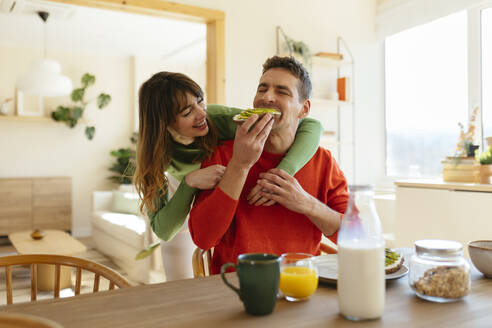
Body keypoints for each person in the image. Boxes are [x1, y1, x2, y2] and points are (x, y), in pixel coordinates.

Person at [133, 71, 323, 280]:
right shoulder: (154, 158)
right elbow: (163, 230)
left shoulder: (217, 119)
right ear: (164, 123)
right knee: (178, 279)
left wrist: (281, 173)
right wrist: (190, 182)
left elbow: (311, 125)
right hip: (182, 189)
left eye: (200, 101)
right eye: (187, 112)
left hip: (217, 188)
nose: (201, 114)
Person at [188, 56, 349, 275]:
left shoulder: (324, 162)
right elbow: (203, 238)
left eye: (282, 92)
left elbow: (355, 234)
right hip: (235, 288)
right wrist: (239, 165)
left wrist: (305, 203)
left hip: (299, 286)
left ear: (304, 109)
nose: (267, 97)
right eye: (262, 89)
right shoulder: (224, 153)